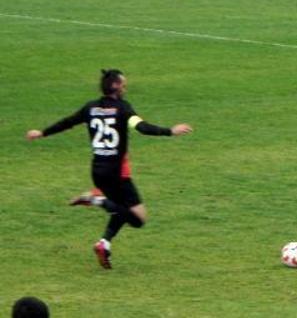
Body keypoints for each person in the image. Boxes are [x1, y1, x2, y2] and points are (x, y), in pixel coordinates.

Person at [26, 69, 192, 269]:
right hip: (117, 174)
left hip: (97, 171)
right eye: (123, 84)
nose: (125, 87)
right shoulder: (123, 108)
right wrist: (170, 131)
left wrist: (42, 133)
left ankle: (104, 243)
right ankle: (95, 199)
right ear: (114, 86)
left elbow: (67, 122)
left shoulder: (90, 108)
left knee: (120, 210)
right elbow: (141, 127)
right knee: (138, 219)